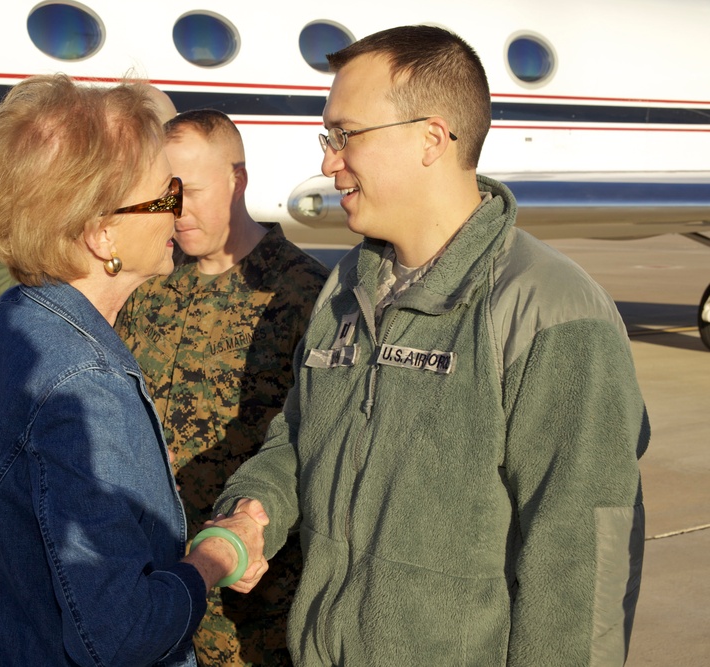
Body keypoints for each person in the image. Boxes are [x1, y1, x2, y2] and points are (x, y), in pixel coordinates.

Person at [214, 25, 648, 666]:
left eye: (345, 135)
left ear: (431, 139)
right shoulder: (345, 289)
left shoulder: (549, 311)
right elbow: (300, 438)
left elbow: (578, 565)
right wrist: (255, 510)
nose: (329, 161)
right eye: (327, 138)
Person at [0, 74, 269, 667]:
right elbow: (121, 633)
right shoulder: (84, 381)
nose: (176, 213)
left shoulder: (5, 322)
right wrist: (219, 554)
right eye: (164, 196)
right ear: (103, 233)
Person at [116, 109, 328, 666]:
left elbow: (320, 442)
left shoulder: (303, 294)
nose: (175, 211)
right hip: (152, 582)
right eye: (164, 193)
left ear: (239, 181)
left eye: (192, 191)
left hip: (251, 600)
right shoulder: (149, 282)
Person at [0, 83, 178, 303]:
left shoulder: (16, 315)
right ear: (103, 235)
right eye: (163, 197)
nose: (178, 209)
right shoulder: (58, 335)